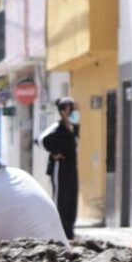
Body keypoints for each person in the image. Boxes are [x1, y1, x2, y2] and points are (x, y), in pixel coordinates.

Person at [38, 97, 79, 240]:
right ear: (62, 111)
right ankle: (57, 230)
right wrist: (55, 153)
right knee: (60, 198)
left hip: (72, 167)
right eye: (67, 108)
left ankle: (69, 231)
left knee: (71, 198)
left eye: (71, 108)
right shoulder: (57, 127)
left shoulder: (74, 127)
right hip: (60, 168)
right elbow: (41, 140)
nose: (71, 111)